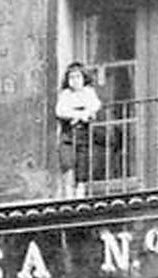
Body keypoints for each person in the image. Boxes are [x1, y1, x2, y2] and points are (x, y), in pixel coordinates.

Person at [56, 62, 102, 198]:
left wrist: (83, 114)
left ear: (83, 78)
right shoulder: (65, 94)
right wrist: (80, 115)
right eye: (71, 77)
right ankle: (69, 196)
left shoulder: (89, 92)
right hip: (68, 135)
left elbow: (95, 106)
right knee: (67, 163)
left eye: (77, 77)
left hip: (83, 134)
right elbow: (60, 111)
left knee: (82, 164)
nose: (74, 81)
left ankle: (80, 195)